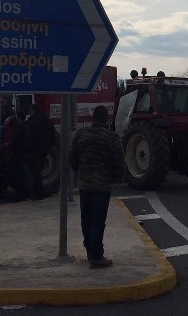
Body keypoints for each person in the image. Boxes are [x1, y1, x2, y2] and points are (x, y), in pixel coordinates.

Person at [70, 105, 124, 269]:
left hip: (85, 184)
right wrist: (114, 178)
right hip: (102, 186)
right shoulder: (112, 138)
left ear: (93, 118)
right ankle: (96, 256)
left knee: (86, 220)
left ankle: (90, 252)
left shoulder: (81, 134)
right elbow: (119, 162)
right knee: (98, 221)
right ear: (107, 119)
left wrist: (79, 171)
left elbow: (72, 158)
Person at [24, 104, 56, 200]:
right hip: (43, 150)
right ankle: (39, 193)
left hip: (34, 151)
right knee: (37, 172)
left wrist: (27, 149)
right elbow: (52, 135)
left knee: (34, 173)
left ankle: (36, 193)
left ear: (33, 111)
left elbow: (30, 137)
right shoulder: (47, 121)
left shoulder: (33, 122)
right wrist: (47, 147)